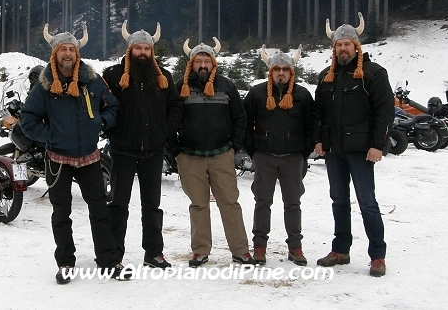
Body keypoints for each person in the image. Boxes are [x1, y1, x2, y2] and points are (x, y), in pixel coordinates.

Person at [20, 24, 129, 283]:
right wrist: (52, 136)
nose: (67, 53)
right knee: (61, 213)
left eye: (71, 49)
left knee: (100, 210)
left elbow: (112, 106)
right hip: (58, 160)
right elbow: (28, 120)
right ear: (55, 53)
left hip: (89, 157)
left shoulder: (92, 80)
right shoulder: (45, 85)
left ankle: (108, 260)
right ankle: (66, 263)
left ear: (77, 53)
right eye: (63, 49)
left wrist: (101, 123)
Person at [313, 13, 394, 277]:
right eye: (338, 45)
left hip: (362, 151)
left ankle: (377, 256)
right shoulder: (326, 76)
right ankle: (341, 250)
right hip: (334, 151)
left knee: (367, 202)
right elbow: (318, 113)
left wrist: (378, 144)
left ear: (356, 46)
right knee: (339, 201)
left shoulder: (374, 73)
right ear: (333, 48)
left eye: (347, 44)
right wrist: (319, 140)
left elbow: (384, 111)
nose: (343, 48)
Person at [167, 38, 256, 267]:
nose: (203, 64)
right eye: (198, 60)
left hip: (221, 155)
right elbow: (167, 120)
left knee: (230, 203)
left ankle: (241, 251)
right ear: (192, 63)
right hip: (190, 156)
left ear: (213, 63)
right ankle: (200, 251)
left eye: (207, 60)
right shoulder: (180, 87)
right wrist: (176, 152)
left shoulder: (226, 86)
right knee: (198, 204)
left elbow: (240, 118)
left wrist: (233, 147)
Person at [102, 21, 183, 269]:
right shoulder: (113, 75)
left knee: (152, 205)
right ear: (130, 50)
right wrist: (113, 130)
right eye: (138, 48)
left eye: (147, 49)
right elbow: (102, 105)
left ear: (152, 51)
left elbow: (175, 107)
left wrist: (164, 131)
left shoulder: (163, 77)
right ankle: (113, 254)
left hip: (153, 150)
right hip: (122, 149)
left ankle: (154, 253)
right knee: (118, 204)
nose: (143, 53)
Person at [243, 45, 314, 266]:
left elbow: (312, 126)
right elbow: (244, 123)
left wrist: (302, 152)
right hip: (264, 157)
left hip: (293, 157)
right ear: (271, 71)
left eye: (285, 69)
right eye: (277, 69)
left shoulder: (302, 95)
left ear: (291, 72)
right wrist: (254, 151)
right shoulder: (257, 93)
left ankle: (295, 247)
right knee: (262, 202)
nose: (281, 73)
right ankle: (259, 246)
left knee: (293, 203)